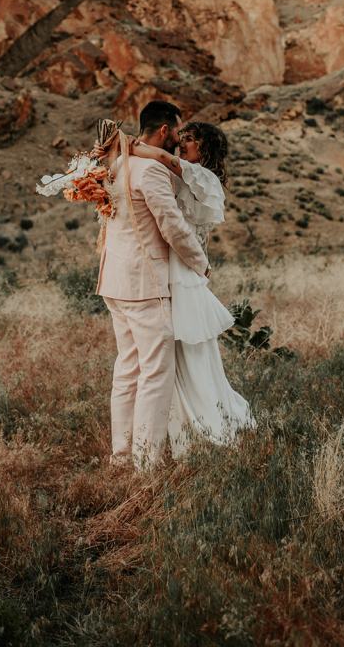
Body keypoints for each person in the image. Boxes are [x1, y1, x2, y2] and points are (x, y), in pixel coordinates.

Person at [129, 121, 255, 457]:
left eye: (191, 139)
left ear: (207, 148)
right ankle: (183, 431)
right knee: (175, 355)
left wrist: (128, 145)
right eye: (182, 137)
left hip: (185, 272)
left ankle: (208, 424)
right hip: (174, 267)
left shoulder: (203, 178)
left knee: (190, 352)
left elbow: (163, 159)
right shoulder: (184, 175)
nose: (183, 143)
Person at [96, 100, 210, 469]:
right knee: (155, 373)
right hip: (145, 282)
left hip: (113, 279)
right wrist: (201, 263)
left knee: (127, 368)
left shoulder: (117, 166)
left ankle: (121, 455)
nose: (178, 139)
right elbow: (171, 225)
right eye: (177, 131)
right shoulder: (151, 172)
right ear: (165, 131)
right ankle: (146, 464)